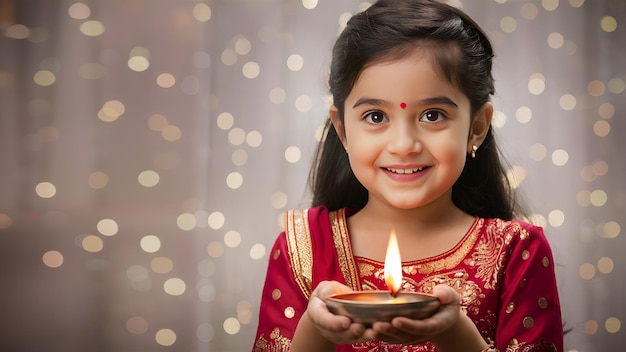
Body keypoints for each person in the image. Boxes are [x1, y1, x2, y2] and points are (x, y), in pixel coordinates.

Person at [253, 0, 564, 351]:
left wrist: (455, 333)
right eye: (375, 117)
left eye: (432, 115)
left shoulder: (515, 251)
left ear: (476, 128)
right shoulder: (302, 248)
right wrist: (316, 328)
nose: (403, 145)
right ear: (342, 130)